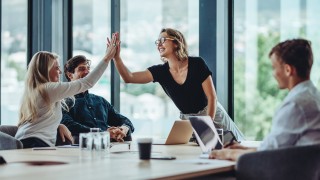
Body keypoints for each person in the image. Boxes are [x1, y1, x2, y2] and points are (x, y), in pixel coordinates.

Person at [112, 28, 245, 141]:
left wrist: (205, 126)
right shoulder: (160, 72)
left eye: (163, 40)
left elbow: (212, 98)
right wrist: (117, 58)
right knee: (198, 158)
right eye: (157, 42)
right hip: (188, 122)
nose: (159, 44)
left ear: (176, 43)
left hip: (212, 115)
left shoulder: (197, 64)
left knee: (234, 148)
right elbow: (129, 77)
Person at [209, 38, 320, 161]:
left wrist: (226, 154)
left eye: (274, 67)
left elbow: (267, 155)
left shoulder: (296, 104)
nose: (273, 73)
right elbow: (275, 147)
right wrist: (242, 149)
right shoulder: (313, 96)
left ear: (288, 70)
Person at [15, 33, 118, 148]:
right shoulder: (47, 89)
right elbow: (87, 83)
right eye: (56, 68)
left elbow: (40, 120)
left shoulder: (36, 90)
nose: (60, 72)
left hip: (28, 141)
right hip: (34, 144)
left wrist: (59, 125)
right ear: (46, 70)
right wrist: (107, 58)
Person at [61, 55, 135, 142]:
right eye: (81, 69)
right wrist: (103, 133)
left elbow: (125, 120)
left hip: (108, 148)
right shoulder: (64, 102)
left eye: (88, 69)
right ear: (70, 75)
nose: (87, 72)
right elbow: (69, 125)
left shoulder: (100, 101)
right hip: (82, 149)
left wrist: (124, 129)